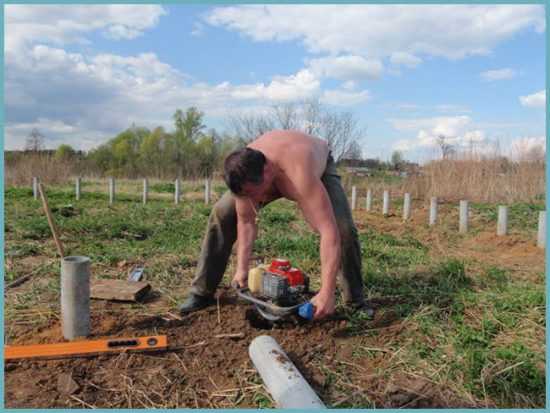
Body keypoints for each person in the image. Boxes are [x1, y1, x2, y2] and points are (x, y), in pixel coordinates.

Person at [179, 129, 366, 319]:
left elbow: (329, 232)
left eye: (253, 193)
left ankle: (355, 301)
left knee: (343, 228)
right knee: (222, 212)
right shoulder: (243, 172)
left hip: (317, 163)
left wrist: (326, 291)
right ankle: (201, 292)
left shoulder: (300, 173)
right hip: (264, 172)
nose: (253, 201)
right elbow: (246, 220)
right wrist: (242, 269)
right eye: (246, 195)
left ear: (267, 172)